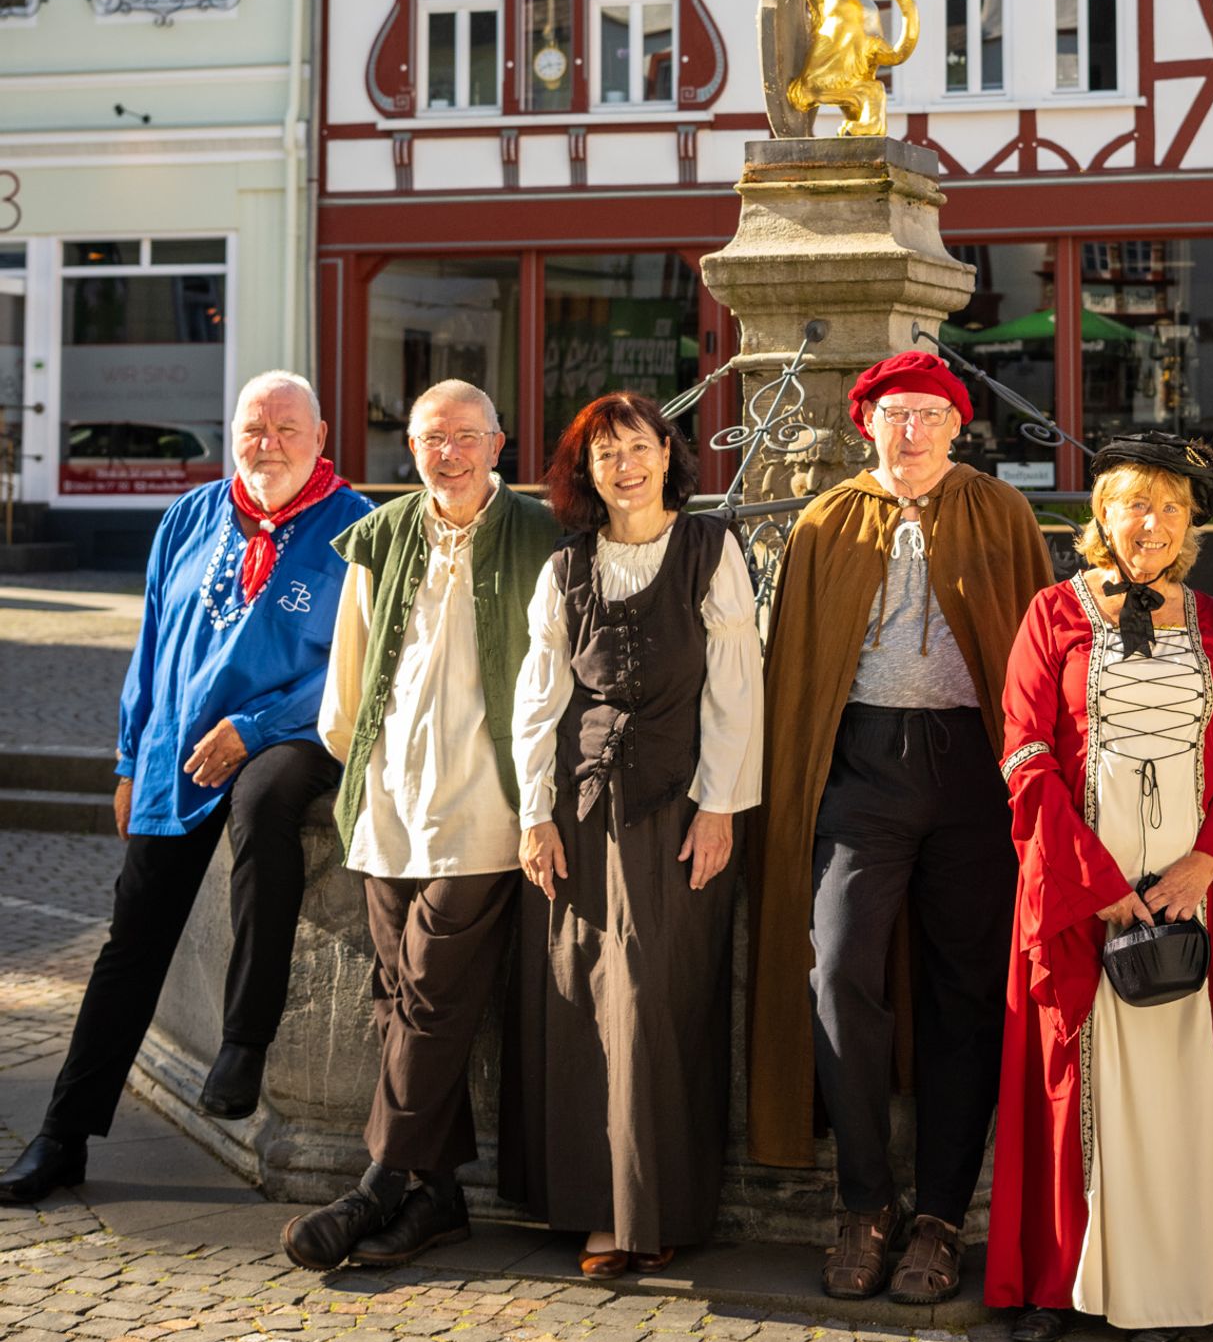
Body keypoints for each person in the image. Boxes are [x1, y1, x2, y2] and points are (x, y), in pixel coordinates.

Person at [0, 373, 367, 1208]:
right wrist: (130, 756)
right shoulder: (189, 519)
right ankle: (63, 1135)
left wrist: (261, 726)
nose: (266, 441)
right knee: (131, 941)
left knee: (267, 809)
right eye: (251, 426)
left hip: (286, 735)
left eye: (284, 426)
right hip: (178, 747)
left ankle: (242, 1043)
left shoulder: (354, 530)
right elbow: (154, 644)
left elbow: (357, 664)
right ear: (231, 433)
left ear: (319, 435)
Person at [747, 349, 1054, 1307]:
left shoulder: (1000, 512)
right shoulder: (828, 519)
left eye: (929, 414)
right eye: (894, 415)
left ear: (958, 426)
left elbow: (1037, 646)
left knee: (967, 989)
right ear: (865, 425)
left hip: (973, 768)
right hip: (863, 767)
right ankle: (865, 1201)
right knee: (837, 970)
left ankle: (940, 1216)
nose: (911, 432)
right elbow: (795, 662)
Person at [986, 435, 1213, 1342]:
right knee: (1072, 1088)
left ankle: (1164, 1287)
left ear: (1191, 524)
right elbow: (1026, 752)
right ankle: (1056, 1281)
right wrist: (1099, 884)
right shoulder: (1050, 613)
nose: (1148, 524)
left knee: (1179, 1090)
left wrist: (1207, 865)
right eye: (1131, 505)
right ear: (1100, 517)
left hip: (1190, 894)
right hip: (1085, 892)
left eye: (1169, 508)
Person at [281, 380, 561, 1275]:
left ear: (499, 441)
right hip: (390, 802)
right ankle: (435, 1198)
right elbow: (348, 677)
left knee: (434, 989)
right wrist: (362, 778)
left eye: (466, 437)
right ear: (412, 448)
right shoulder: (382, 534)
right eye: (432, 440)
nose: (449, 454)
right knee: (395, 993)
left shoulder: (541, 538)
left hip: (487, 803)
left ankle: (376, 1183)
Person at [502, 391, 763, 1276]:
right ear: (586, 472)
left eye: (639, 446)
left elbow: (736, 687)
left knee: (658, 998)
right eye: (605, 453)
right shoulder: (565, 568)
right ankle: (598, 1209)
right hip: (581, 809)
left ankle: (659, 1204)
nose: (625, 465)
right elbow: (538, 699)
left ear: (667, 454)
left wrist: (722, 804)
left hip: (680, 807)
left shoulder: (709, 549)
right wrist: (533, 814)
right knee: (583, 1004)